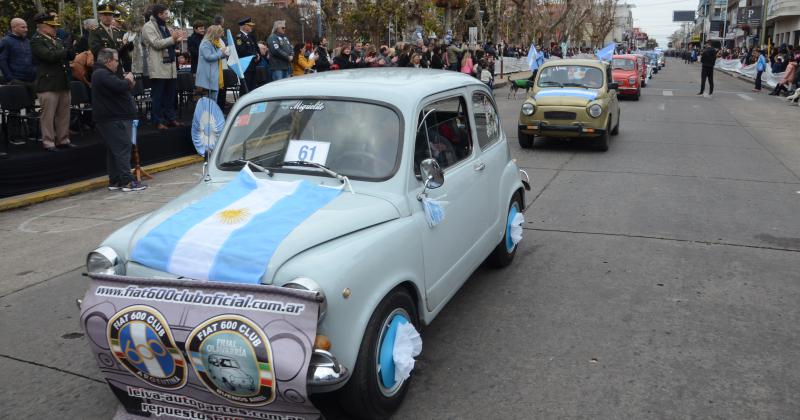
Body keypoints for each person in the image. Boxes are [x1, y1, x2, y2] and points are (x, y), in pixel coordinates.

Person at [91, 48, 145, 191]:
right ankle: (127, 181)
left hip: (112, 117)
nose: (118, 63)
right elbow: (120, 86)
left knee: (114, 150)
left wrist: (127, 84)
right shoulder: (101, 73)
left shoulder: (104, 74)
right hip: (112, 118)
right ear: (108, 61)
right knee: (122, 147)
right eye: (116, 60)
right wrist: (128, 79)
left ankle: (115, 180)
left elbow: (119, 89)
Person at [31, 12, 75, 152]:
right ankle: (48, 142)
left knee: (64, 113)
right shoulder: (36, 40)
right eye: (52, 26)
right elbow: (48, 56)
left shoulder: (56, 40)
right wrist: (65, 50)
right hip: (48, 83)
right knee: (48, 115)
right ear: (42, 26)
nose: (55, 29)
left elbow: (69, 56)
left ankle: (63, 139)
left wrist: (70, 48)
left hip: (62, 81)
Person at [142, 3, 185, 130]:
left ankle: (170, 118)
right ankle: (158, 121)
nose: (168, 16)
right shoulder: (148, 27)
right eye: (166, 13)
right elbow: (156, 44)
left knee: (170, 95)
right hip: (158, 67)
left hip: (170, 66)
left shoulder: (165, 26)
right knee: (158, 96)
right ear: (159, 14)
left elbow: (169, 43)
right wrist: (173, 39)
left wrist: (176, 40)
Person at [0, 18, 36, 104]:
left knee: (31, 110)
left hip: (31, 81)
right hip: (16, 81)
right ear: (14, 27)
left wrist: (35, 71)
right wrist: (10, 78)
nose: (26, 30)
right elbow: (2, 60)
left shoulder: (28, 41)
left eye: (26, 27)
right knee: (15, 111)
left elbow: (33, 59)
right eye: (23, 27)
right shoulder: (6, 41)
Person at [89, 3, 132, 77]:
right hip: (103, 69)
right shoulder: (95, 31)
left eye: (110, 15)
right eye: (105, 15)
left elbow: (121, 53)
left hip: (117, 69)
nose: (108, 17)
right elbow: (96, 50)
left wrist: (127, 47)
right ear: (100, 16)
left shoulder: (117, 32)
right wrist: (114, 53)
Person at [195, 25, 228, 102]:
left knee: (213, 98)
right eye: (219, 33)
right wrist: (221, 52)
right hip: (208, 74)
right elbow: (209, 57)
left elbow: (216, 56)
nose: (221, 35)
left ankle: (213, 113)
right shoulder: (206, 43)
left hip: (213, 74)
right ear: (215, 33)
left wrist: (224, 54)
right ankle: (210, 113)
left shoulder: (213, 42)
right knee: (211, 100)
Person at [235, 17, 259, 93]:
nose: (251, 27)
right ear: (244, 26)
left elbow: (255, 48)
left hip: (252, 66)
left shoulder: (250, 37)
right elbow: (242, 50)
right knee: (245, 89)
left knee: (252, 88)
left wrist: (258, 55)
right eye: (249, 25)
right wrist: (254, 55)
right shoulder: (239, 37)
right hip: (245, 67)